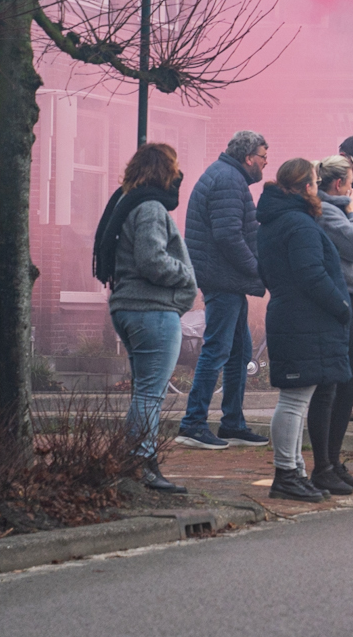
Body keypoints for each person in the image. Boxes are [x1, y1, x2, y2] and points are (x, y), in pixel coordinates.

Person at [96, 141, 195, 494]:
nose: (179, 174)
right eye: (175, 166)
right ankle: (141, 464)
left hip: (128, 307)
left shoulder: (127, 202)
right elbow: (152, 259)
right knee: (150, 395)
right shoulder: (151, 208)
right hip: (152, 310)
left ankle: (135, 461)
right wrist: (186, 274)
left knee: (144, 392)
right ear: (164, 171)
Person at [256, 158, 353, 502]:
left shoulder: (275, 221)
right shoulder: (299, 224)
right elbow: (311, 274)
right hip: (305, 320)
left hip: (291, 316)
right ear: (308, 186)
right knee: (294, 400)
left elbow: (267, 272)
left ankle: (295, 470)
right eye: (315, 180)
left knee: (297, 399)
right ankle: (286, 474)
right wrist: (342, 307)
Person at [178, 130, 270, 449]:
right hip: (222, 279)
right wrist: (257, 269)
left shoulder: (226, 176)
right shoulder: (229, 181)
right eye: (263, 157)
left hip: (226, 279)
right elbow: (229, 236)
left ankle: (232, 423)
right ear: (248, 158)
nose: (266, 162)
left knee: (239, 351)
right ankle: (193, 424)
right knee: (217, 349)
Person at [310, 154, 353, 494]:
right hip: (340, 301)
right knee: (336, 385)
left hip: (352, 298)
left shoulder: (334, 210)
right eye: (351, 183)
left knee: (348, 384)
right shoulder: (329, 211)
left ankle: (333, 462)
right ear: (338, 184)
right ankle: (324, 465)